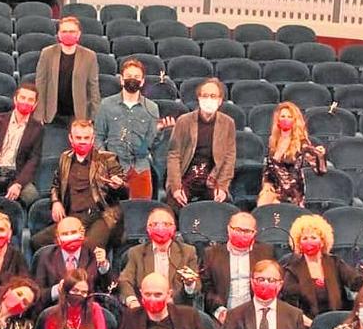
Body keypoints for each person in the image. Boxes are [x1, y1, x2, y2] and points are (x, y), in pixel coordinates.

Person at [32, 119, 126, 251]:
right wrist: (56, 201)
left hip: (100, 217)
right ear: (71, 138)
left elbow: (124, 193)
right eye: (78, 137)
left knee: (88, 249)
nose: (82, 141)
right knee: (38, 242)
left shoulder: (108, 159)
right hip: (73, 217)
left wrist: (118, 186)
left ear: (92, 139)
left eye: (86, 138)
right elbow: (56, 184)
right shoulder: (65, 158)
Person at [95, 59, 176, 199]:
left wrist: (159, 129)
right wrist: (107, 164)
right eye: (129, 76)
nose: (133, 79)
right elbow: (98, 137)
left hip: (140, 167)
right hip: (112, 169)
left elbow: (149, 145)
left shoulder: (151, 108)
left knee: (141, 211)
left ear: (143, 81)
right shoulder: (106, 105)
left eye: (137, 77)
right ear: (121, 79)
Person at [281, 214, 363, 322]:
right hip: (308, 326)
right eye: (304, 238)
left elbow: (356, 283)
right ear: (299, 243)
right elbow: (291, 309)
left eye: (313, 238)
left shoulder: (335, 262)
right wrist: (313, 326)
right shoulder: (293, 270)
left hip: (339, 323)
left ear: (322, 241)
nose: (309, 241)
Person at [0, 82, 45, 206]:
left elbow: (34, 160)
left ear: (35, 104)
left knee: (32, 197)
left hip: (17, 175)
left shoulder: (37, 128)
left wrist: (18, 184)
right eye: (23, 98)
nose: (26, 102)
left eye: (30, 100)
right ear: (15, 100)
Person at [166, 78, 236, 207]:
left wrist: (222, 187)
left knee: (223, 205)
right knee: (174, 204)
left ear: (220, 100)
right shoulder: (184, 121)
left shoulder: (228, 123)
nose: (209, 99)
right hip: (185, 177)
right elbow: (174, 155)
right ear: (199, 98)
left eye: (213, 96)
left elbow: (229, 157)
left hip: (212, 179)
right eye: (205, 95)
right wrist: (176, 187)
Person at [116, 206, 200, 307]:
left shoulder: (188, 252)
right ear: (148, 228)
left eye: (166, 224)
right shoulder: (136, 252)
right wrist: (132, 301)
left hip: (176, 311)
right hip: (145, 309)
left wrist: (189, 284)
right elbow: (125, 280)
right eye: (155, 224)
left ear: (174, 228)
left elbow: (196, 288)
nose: (160, 228)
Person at [200, 211, 274, 324]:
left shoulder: (266, 252)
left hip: (257, 314)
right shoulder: (212, 254)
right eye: (238, 230)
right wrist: (219, 311)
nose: (243, 234)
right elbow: (206, 288)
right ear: (229, 229)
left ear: (255, 233)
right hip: (221, 314)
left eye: (248, 231)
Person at [32, 216, 111, 310]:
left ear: (82, 233)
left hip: (87, 310)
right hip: (55, 310)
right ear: (58, 237)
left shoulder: (94, 254)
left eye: (73, 232)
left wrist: (103, 266)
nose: (70, 237)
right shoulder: (45, 257)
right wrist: (57, 290)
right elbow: (38, 294)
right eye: (65, 234)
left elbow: (107, 289)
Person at [33, 16, 100, 125]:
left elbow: (93, 87)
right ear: (59, 34)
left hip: (79, 115)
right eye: (64, 31)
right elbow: (40, 84)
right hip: (52, 115)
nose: (68, 34)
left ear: (78, 34)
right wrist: (39, 115)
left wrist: (94, 117)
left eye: (72, 31)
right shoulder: (47, 53)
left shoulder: (89, 56)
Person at [258, 102, 326, 207]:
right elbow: (268, 169)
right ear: (278, 119)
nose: (286, 119)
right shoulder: (273, 141)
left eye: (289, 117)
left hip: (292, 195)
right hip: (273, 193)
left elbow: (320, 170)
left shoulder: (302, 143)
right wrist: (266, 185)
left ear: (295, 120)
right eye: (283, 116)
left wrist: (320, 155)